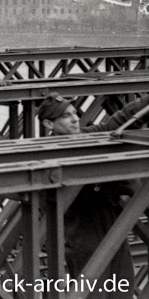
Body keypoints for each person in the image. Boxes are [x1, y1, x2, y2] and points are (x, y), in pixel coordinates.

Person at [37, 92, 149, 298]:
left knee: (123, 285)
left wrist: (145, 102)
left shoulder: (87, 136)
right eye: (66, 116)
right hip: (81, 231)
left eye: (74, 113)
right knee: (94, 292)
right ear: (48, 124)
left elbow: (120, 119)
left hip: (109, 223)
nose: (75, 119)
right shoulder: (46, 153)